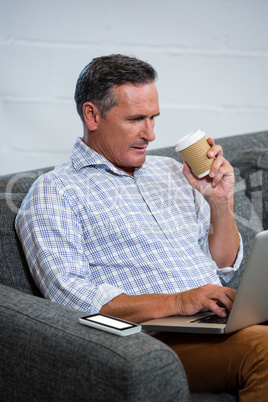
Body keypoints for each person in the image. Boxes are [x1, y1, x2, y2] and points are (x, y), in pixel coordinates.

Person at [15, 54, 268, 400]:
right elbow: (72, 300)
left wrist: (220, 203)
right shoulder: (54, 192)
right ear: (92, 115)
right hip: (152, 342)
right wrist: (180, 301)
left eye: (153, 118)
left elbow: (221, 269)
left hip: (215, 320)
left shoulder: (171, 171)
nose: (150, 134)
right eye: (136, 119)